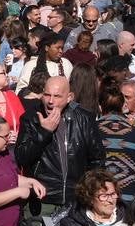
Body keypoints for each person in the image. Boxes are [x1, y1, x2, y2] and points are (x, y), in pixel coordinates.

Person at [15, 75, 104, 212]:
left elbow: (97, 159)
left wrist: (89, 189)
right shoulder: (31, 118)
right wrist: (44, 133)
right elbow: (22, 158)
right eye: (47, 95)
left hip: (76, 200)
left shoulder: (84, 119)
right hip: (43, 199)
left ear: (69, 97)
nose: (50, 101)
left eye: (57, 96)